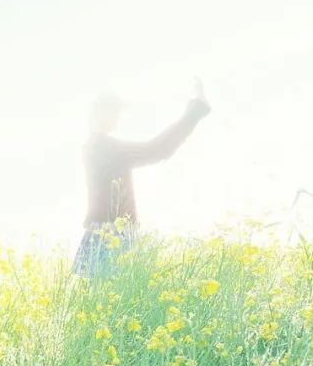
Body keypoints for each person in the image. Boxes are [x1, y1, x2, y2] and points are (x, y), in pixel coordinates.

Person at [72, 79, 212, 277]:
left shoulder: (94, 146)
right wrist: (195, 112)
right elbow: (156, 150)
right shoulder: (102, 146)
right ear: (100, 112)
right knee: (115, 298)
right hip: (110, 234)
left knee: (105, 300)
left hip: (105, 233)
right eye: (115, 112)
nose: (118, 117)